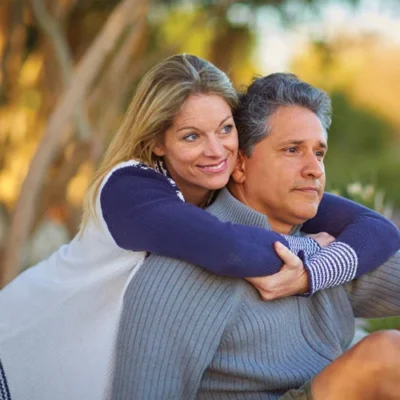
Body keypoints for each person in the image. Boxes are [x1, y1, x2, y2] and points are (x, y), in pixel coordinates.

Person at [0, 55, 398, 400]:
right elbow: (228, 247)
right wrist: (311, 259)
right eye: (292, 149)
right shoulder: (130, 192)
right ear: (157, 140)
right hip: (18, 353)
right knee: (385, 356)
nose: (215, 150)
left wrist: (327, 264)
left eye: (225, 130)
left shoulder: (277, 197)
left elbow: (376, 229)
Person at [110, 72, 400, 400]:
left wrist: (311, 269)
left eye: (319, 153)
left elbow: (379, 236)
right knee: (385, 358)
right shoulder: (178, 274)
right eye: (292, 150)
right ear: (239, 165)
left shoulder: (334, 253)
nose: (315, 169)